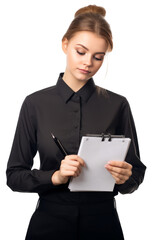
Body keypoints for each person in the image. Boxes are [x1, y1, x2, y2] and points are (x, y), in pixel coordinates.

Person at [6, 5, 146, 240]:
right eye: (80, 52)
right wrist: (55, 177)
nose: (88, 63)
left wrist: (125, 179)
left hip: (103, 226)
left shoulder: (118, 105)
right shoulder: (35, 104)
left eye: (98, 57)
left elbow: (135, 174)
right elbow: (14, 175)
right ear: (65, 44)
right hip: (49, 225)